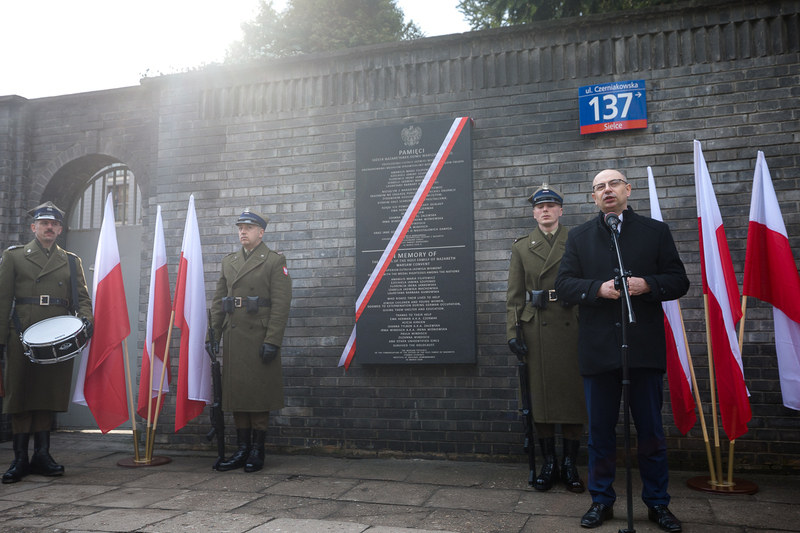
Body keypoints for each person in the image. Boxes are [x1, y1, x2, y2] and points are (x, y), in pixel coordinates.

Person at [555, 170, 689, 531]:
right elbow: (564, 285)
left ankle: (658, 504)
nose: (606, 190)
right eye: (599, 187)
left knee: (650, 434)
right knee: (600, 434)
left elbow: (680, 280)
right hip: (598, 353)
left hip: (643, 351)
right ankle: (602, 501)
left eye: (613, 183)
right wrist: (598, 290)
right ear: (593, 198)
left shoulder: (654, 232)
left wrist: (649, 284)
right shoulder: (579, 236)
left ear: (628, 190)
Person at [0, 202, 93, 484]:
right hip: (23, 333)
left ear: (60, 229)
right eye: (43, 223)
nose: (49, 228)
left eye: (53, 224)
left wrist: (86, 321)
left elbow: (83, 299)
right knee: (20, 396)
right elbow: (3, 299)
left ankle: (42, 455)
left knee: (46, 395)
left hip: (57, 336)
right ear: (34, 228)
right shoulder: (14, 257)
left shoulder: (71, 260)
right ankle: (20, 459)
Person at [506, 184, 587, 493]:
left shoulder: (576, 241)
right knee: (538, 398)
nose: (545, 210)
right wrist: (513, 333)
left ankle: (569, 465)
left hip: (572, 325)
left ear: (560, 211)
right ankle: (548, 463)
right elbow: (514, 297)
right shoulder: (522, 247)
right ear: (534, 213)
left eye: (551, 206)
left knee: (572, 396)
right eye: (540, 207)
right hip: (535, 326)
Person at [209, 208, 292, 473]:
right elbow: (219, 301)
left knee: (258, 396)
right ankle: (242, 449)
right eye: (240, 228)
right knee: (237, 395)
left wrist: (273, 340)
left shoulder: (274, 261)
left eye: (248, 228)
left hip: (259, 336)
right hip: (235, 336)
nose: (242, 232)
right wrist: (214, 334)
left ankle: (257, 451)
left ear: (261, 232)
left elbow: (281, 304)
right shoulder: (229, 261)